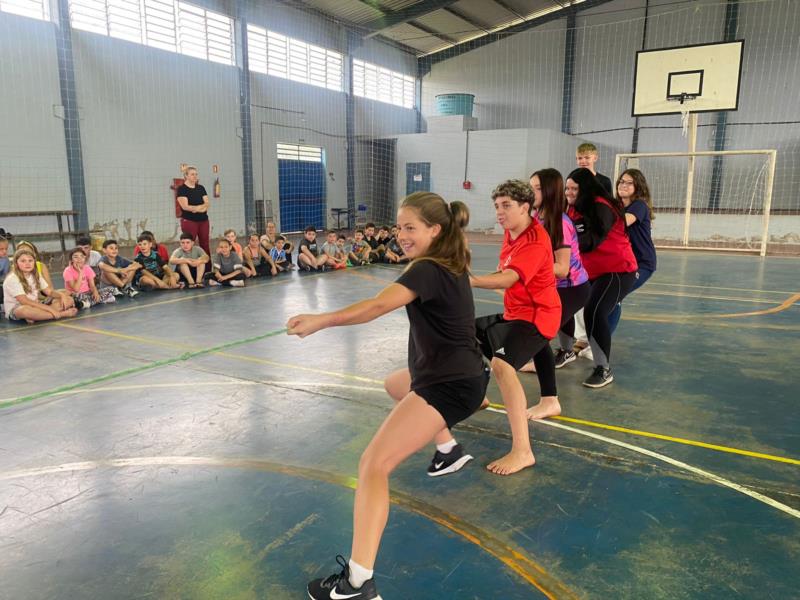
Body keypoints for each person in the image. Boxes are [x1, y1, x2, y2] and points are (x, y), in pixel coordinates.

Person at [289, 192, 487, 600]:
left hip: (448, 384)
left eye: (410, 227)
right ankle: (447, 448)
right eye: (399, 226)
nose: (402, 234)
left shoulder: (429, 269)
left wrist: (323, 320)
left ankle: (357, 585)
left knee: (372, 465)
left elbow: (378, 306)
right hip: (460, 376)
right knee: (396, 384)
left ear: (435, 229)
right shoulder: (450, 261)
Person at [471, 180, 561, 475]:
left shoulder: (534, 239)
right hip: (518, 312)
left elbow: (509, 278)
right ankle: (477, 394)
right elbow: (506, 275)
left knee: (503, 366)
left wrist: (467, 280)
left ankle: (523, 451)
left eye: (506, 206)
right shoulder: (512, 233)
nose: (500, 212)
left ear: (525, 207)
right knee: (468, 331)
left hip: (538, 316)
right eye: (497, 206)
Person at [566, 168, 638, 388]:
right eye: (567, 188)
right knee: (563, 301)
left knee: (595, 311)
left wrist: (563, 241)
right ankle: (565, 351)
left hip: (618, 270)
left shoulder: (602, 206)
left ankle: (603, 369)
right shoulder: (572, 209)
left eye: (574, 188)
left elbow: (591, 241)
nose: (569, 193)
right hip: (592, 272)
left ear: (585, 188)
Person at [521, 169, 591, 390]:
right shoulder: (534, 218)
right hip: (551, 285)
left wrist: (523, 269)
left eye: (537, 188)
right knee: (543, 326)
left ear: (550, 191)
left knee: (540, 331)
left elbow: (561, 269)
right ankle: (566, 352)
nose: (531, 192)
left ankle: (549, 395)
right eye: (530, 187)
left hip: (572, 287)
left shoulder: (560, 223)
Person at [608, 169, 657, 333]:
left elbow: (622, 223)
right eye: (622, 181)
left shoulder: (639, 206)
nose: (624, 185)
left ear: (638, 186)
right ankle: (595, 337)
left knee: (614, 297)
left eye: (629, 183)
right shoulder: (616, 206)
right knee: (608, 297)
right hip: (623, 263)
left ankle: (601, 340)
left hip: (642, 264)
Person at [3, 248, 77, 323]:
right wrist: (50, 309)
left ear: (34, 262)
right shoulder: (12, 278)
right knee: (24, 310)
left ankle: (37, 316)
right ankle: (61, 314)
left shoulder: (35, 275)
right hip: (18, 308)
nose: (27, 263)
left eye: (30, 261)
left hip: (36, 305)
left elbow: (50, 292)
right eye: (23, 261)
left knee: (69, 300)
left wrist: (62, 295)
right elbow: (25, 301)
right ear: (16, 263)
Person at [176, 166, 210, 255]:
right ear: (186, 176)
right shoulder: (182, 189)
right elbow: (185, 207)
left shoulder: (201, 188)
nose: (195, 176)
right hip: (189, 221)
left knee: (205, 244)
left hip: (203, 220)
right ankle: (190, 266)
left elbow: (207, 204)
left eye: (196, 174)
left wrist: (196, 209)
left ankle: (207, 266)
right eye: (192, 174)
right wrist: (201, 208)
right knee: (189, 244)